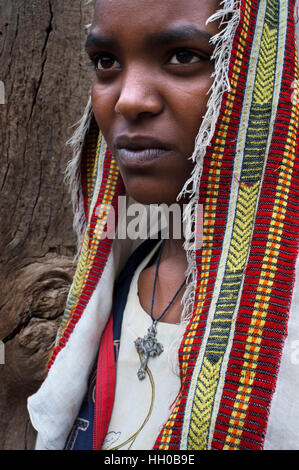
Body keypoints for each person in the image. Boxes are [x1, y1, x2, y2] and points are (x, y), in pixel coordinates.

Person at [27, 0, 299, 450]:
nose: (129, 99)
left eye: (184, 56)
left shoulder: (284, 326)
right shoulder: (116, 290)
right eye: (106, 62)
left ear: (267, 71)